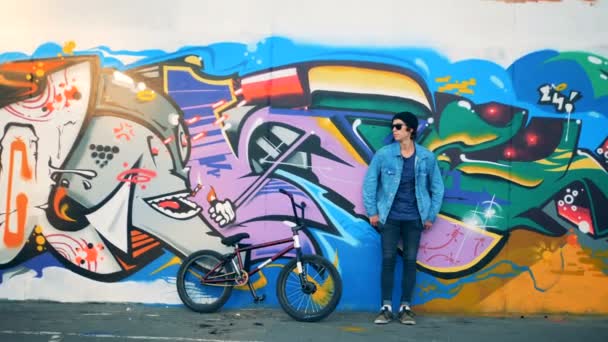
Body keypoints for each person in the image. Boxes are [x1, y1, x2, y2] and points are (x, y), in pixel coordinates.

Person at [362, 112, 444, 325]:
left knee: (409, 261)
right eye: (393, 126)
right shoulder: (383, 155)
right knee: (388, 260)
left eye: (398, 126)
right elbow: (370, 184)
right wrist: (372, 212)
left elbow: (437, 188)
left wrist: (430, 215)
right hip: (389, 218)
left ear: (411, 130)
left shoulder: (426, 157)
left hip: (415, 219)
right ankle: (386, 307)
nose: (394, 130)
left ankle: (406, 307)